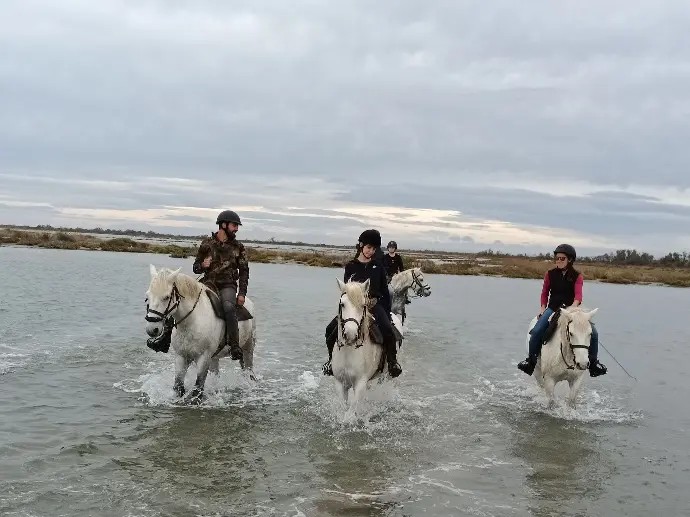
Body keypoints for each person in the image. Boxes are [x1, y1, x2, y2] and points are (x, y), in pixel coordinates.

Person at [517, 244, 607, 377]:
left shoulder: (577, 276)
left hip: (572, 309)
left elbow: (578, 296)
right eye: (557, 258)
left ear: (570, 260)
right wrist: (543, 309)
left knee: (594, 333)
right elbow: (544, 293)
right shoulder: (550, 274)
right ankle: (531, 361)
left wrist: (573, 308)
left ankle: (593, 364)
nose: (558, 261)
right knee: (536, 331)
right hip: (553, 308)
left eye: (562, 258)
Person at [322, 229, 402, 378]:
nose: (371, 251)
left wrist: (386, 313)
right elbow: (346, 291)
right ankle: (330, 361)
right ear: (361, 245)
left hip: (373, 305)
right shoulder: (351, 266)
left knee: (387, 330)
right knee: (330, 329)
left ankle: (392, 362)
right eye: (368, 247)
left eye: (374, 249)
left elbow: (384, 293)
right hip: (354, 307)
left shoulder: (378, 267)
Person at [192, 210, 249, 361]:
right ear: (223, 225)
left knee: (229, 307)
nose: (236, 228)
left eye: (237, 226)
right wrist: (203, 265)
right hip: (207, 284)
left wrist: (242, 293)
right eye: (234, 225)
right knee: (184, 299)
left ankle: (235, 346)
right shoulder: (206, 244)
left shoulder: (239, 247)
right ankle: (165, 337)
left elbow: (244, 272)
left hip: (227, 286)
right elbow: (195, 267)